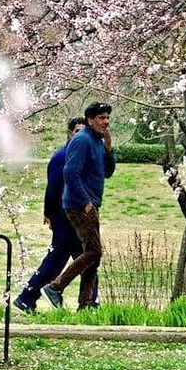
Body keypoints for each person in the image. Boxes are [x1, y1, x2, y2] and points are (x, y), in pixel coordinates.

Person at [13, 117, 99, 313]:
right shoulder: (61, 157)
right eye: (77, 131)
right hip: (65, 218)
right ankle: (87, 303)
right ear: (70, 133)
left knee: (71, 259)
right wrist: (49, 213)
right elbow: (52, 188)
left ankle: (29, 297)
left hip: (78, 218)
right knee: (80, 258)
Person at [42, 102, 115, 309]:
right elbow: (70, 173)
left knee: (93, 254)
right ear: (90, 120)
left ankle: (87, 303)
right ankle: (56, 287)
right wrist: (85, 202)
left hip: (90, 204)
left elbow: (107, 173)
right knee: (94, 252)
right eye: (101, 118)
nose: (106, 122)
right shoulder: (82, 140)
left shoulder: (97, 141)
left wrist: (109, 150)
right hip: (79, 205)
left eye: (107, 117)